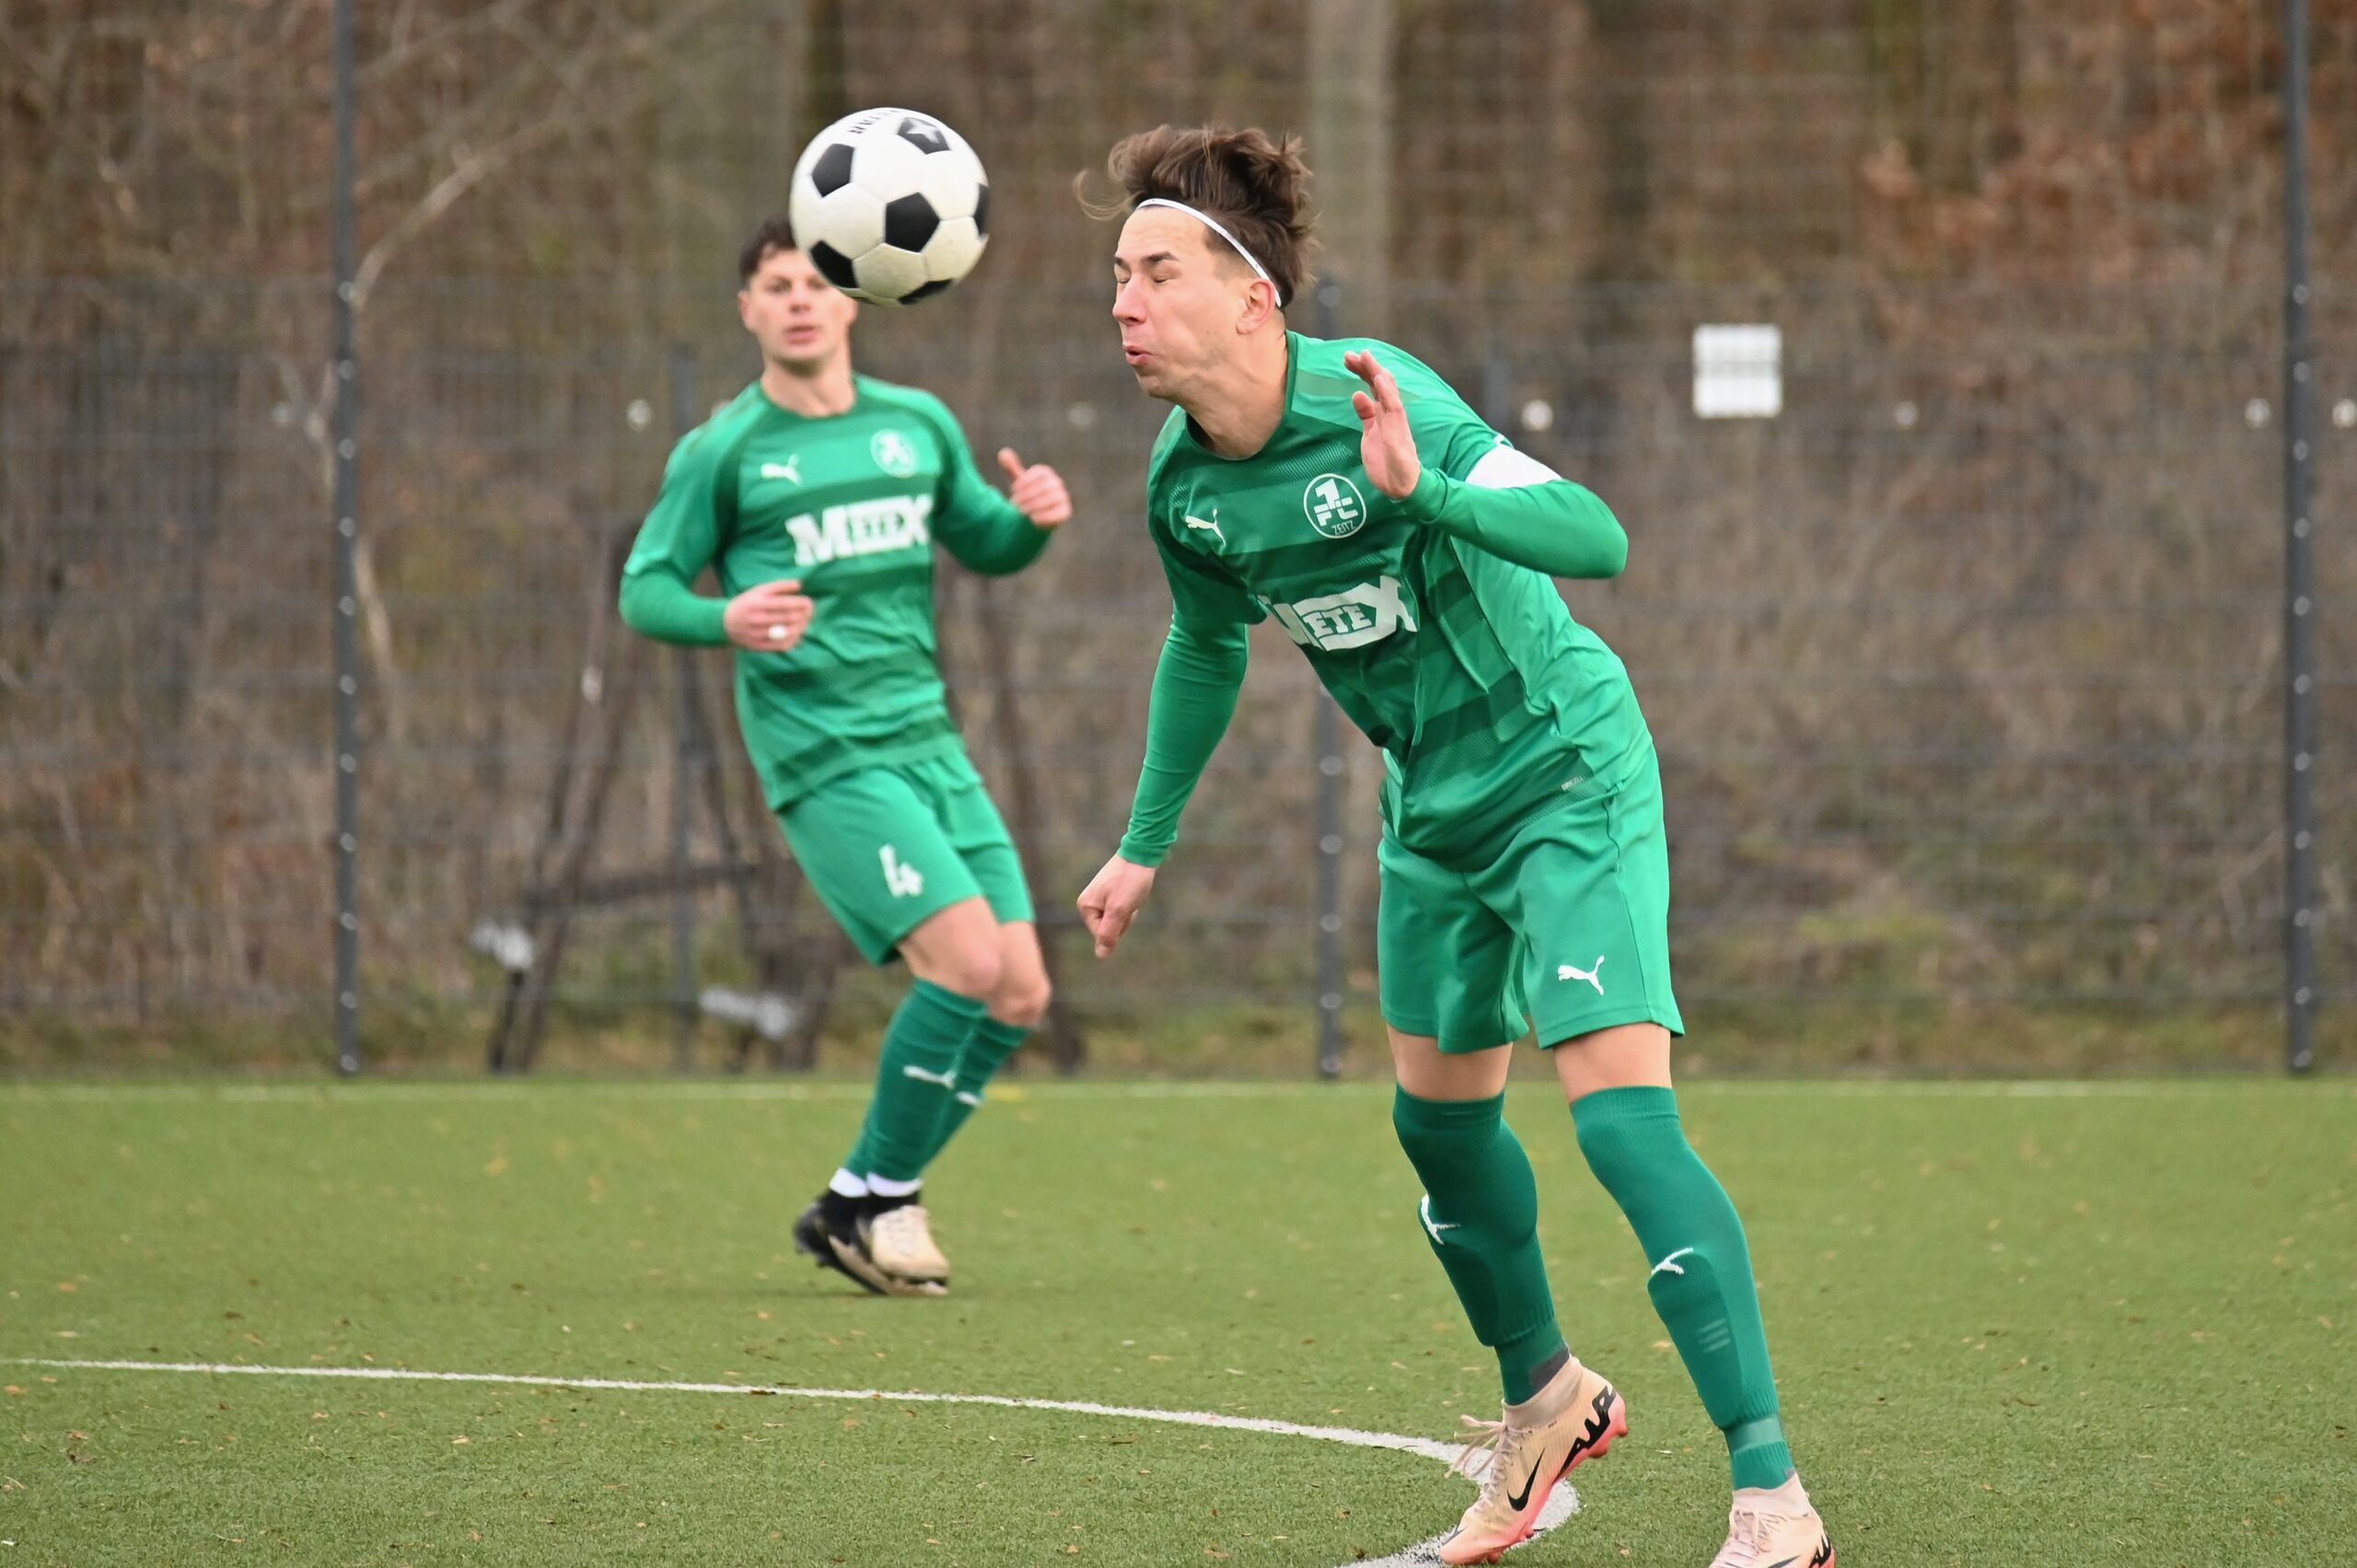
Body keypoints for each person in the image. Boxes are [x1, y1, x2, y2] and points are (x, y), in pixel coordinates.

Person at [1074, 127, 1835, 1568]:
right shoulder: (1184, 486)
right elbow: (1204, 645)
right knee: (1436, 1125)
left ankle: (1774, 1499)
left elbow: (1595, 535)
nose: (1124, 301)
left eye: (1157, 271)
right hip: (1431, 811)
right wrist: (1142, 844)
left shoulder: (1382, 392)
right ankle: (1548, 1401)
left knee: (1620, 1121)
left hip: (1563, 773)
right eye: (1118, 274)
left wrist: (1425, 489)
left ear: (1253, 296)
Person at [621, 215, 1072, 1298]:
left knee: (1018, 990)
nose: (798, 301)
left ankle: (856, 1198)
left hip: (928, 743)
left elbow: (987, 541)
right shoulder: (726, 450)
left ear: (855, 297)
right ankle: (879, 1199)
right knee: (965, 964)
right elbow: (644, 587)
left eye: (816, 283)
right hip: (826, 755)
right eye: (775, 285)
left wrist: (1032, 521)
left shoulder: (914, 423)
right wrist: (724, 619)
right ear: (747, 309)